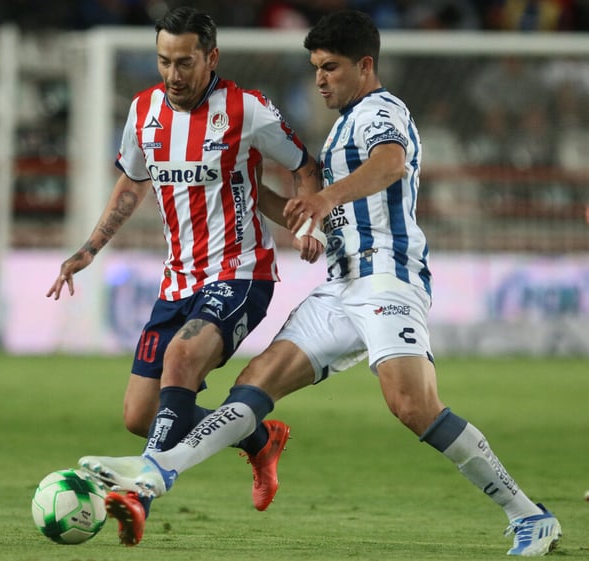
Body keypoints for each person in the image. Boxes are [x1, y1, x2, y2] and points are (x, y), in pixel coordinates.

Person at [78, 9, 562, 557]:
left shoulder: (384, 111)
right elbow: (308, 206)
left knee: (413, 406)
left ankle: (529, 515)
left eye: (330, 67)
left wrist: (326, 197)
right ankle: (154, 477)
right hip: (339, 285)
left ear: (365, 65)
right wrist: (239, 187)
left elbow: (389, 165)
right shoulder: (341, 128)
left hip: (387, 280)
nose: (320, 79)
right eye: (315, 68)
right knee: (252, 388)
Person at [46, 6, 323, 546]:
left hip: (242, 273)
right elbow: (131, 186)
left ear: (211, 58)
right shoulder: (144, 111)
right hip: (178, 282)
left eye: (185, 62)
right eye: (164, 61)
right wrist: (88, 249)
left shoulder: (249, 110)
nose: (173, 74)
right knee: (138, 414)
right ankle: (257, 438)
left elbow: (304, 166)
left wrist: (308, 218)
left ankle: (141, 491)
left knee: (181, 357)